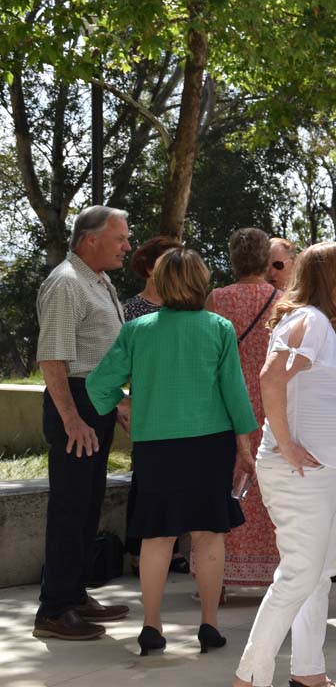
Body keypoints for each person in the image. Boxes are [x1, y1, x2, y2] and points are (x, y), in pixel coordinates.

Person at [86, 247, 257, 657]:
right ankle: (209, 625)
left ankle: (151, 626)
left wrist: (125, 405)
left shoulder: (137, 330)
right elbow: (234, 393)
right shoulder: (219, 328)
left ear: (160, 283)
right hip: (209, 445)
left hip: (156, 446)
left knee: (156, 535)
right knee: (208, 535)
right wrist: (245, 447)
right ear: (201, 282)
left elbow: (98, 385)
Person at [233, 242, 336, 687]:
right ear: (331, 277)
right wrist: (287, 444)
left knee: (318, 575)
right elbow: (271, 376)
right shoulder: (309, 321)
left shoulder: (324, 326)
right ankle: (249, 678)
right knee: (299, 575)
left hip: (328, 470)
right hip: (302, 473)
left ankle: (308, 672)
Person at [32, 206, 132, 641]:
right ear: (90, 239)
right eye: (119, 238)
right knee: (70, 507)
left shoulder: (98, 280)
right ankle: (54, 610)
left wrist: (117, 402)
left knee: (88, 505)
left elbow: (99, 354)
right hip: (75, 404)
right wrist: (72, 419)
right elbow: (52, 359)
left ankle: (73, 595)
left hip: (95, 401)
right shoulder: (66, 283)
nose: (127, 246)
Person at [207, 228, 281, 590]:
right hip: (270, 406)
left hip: (226, 406)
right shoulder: (282, 301)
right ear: (267, 260)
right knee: (268, 489)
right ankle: (270, 572)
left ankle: (219, 574)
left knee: (225, 484)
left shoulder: (217, 299)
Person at [120, 234, 188, 577]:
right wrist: (122, 405)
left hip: (184, 407)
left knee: (177, 479)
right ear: (149, 268)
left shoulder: (186, 309)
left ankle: (171, 550)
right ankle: (139, 551)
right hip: (147, 406)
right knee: (147, 480)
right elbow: (116, 363)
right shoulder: (130, 311)